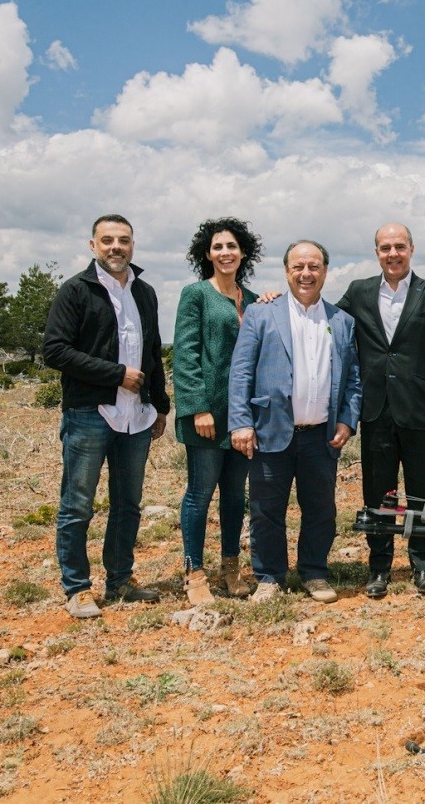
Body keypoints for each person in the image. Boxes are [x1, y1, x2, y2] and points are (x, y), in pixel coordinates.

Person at [43, 214, 170, 619]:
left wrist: (161, 405)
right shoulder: (76, 291)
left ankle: (119, 580)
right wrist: (116, 375)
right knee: (77, 505)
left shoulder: (145, 292)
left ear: (133, 245)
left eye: (124, 240)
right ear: (92, 245)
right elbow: (55, 351)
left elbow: (152, 353)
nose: (116, 247)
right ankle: (78, 589)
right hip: (90, 414)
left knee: (128, 505)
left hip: (136, 417)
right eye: (108, 240)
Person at [228, 240, 361, 604]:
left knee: (321, 508)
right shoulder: (261, 314)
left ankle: (314, 572)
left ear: (325, 271)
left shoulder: (342, 321)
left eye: (314, 267)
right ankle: (269, 577)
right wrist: (240, 422)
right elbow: (240, 372)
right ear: (287, 271)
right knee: (266, 509)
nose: (306, 274)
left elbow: (353, 379)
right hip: (270, 430)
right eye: (298, 267)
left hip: (321, 435)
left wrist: (347, 421)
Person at [337, 223, 425, 599]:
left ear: (411, 249)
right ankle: (379, 568)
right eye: (385, 247)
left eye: (399, 246)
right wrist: (278, 301)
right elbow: (326, 317)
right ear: (377, 252)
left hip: (422, 411)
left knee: (423, 492)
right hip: (375, 409)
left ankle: (423, 566)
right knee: (379, 493)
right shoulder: (358, 291)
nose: (393, 253)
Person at [172, 217, 262, 606]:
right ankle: (194, 573)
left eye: (232, 246)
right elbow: (186, 353)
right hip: (207, 416)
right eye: (217, 247)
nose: (225, 253)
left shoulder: (254, 300)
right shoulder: (196, 295)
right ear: (206, 254)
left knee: (234, 496)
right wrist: (197, 408)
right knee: (200, 493)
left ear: (244, 252)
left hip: (242, 417)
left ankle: (230, 568)